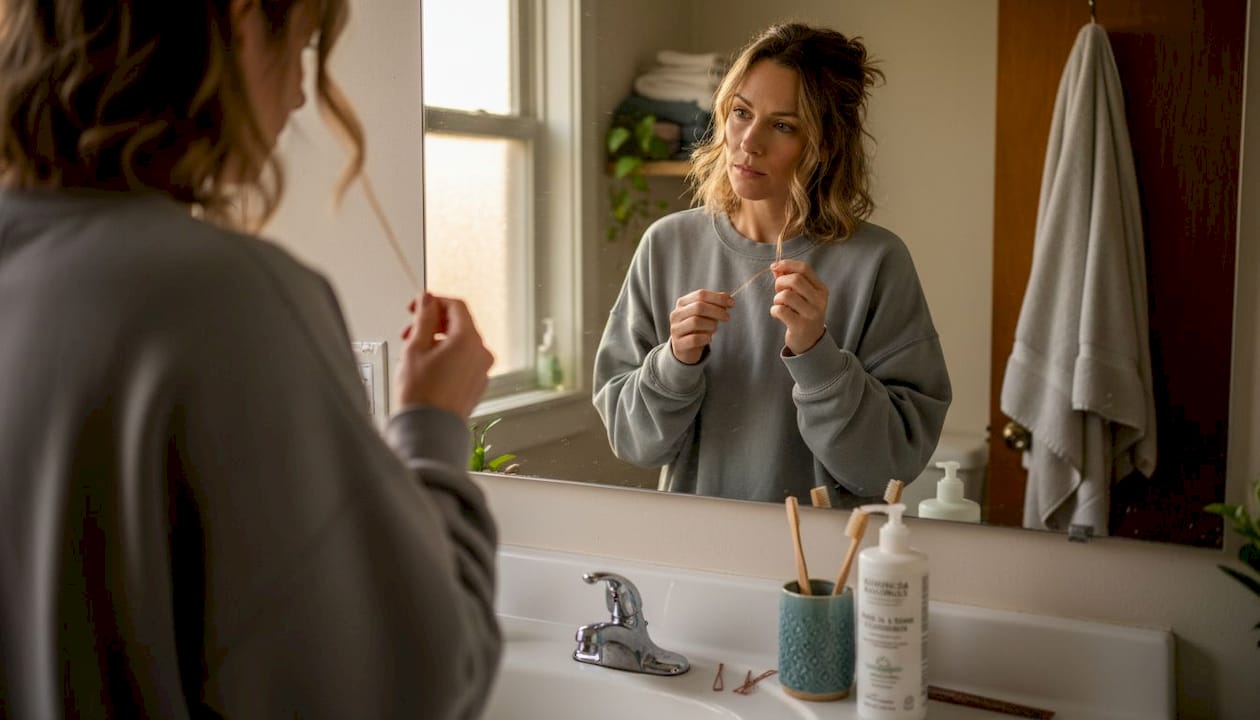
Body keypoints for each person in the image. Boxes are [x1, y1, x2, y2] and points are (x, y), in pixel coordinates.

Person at [0, 1, 500, 717]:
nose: (300, 93)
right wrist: (432, 424)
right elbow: (414, 685)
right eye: (300, 49)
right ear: (238, 25)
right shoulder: (221, 299)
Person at [593, 23, 952, 506]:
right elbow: (632, 444)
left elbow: (891, 468)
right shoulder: (666, 245)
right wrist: (675, 362)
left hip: (824, 568)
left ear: (823, 143)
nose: (749, 142)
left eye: (783, 125)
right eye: (741, 113)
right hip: (694, 551)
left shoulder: (878, 262)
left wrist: (817, 355)